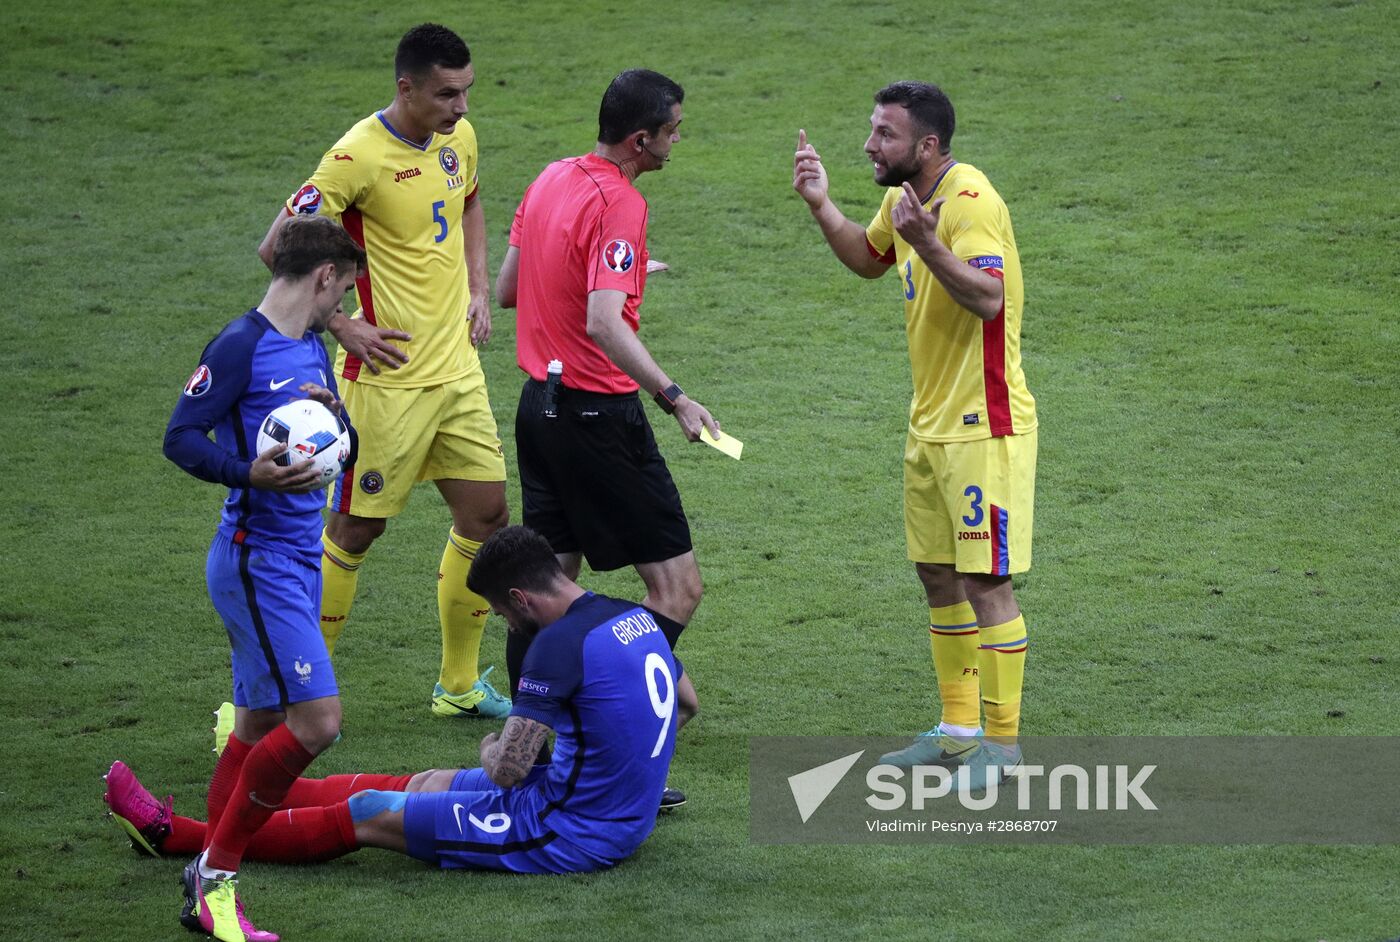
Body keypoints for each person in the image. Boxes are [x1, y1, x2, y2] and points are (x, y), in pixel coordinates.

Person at [105, 525, 685, 877]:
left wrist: (491, 744)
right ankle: (237, 803)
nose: (506, 626)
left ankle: (175, 836)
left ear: (519, 597)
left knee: (369, 815)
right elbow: (683, 703)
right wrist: (630, 772)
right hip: (594, 806)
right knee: (422, 782)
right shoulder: (631, 614)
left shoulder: (557, 647)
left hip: (566, 831)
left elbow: (507, 769)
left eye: (502, 614)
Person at [257, 23, 510, 719]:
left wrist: (479, 288)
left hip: (457, 373)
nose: (460, 107)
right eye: (445, 94)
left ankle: (457, 685)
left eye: (465, 92)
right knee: (355, 533)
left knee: (488, 516)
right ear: (406, 87)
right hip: (387, 381)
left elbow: (471, 202)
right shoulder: (356, 157)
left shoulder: (458, 136)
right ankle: (285, 702)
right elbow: (278, 248)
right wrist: (341, 323)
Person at [793, 82, 1037, 787]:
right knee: (937, 575)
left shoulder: (969, 202)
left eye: (884, 135)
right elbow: (869, 259)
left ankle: (1005, 747)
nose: (870, 145)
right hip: (929, 425)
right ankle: (959, 731)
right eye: (872, 131)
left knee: (986, 581)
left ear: (926, 146)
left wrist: (928, 244)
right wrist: (821, 204)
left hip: (983, 427)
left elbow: (988, 298)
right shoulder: (903, 200)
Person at [494, 71, 711, 787]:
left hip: (539, 409)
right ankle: (607, 723)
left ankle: (528, 740)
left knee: (547, 588)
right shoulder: (622, 202)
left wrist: (615, 270)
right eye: (673, 129)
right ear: (640, 138)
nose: (679, 138)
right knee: (676, 589)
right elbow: (603, 321)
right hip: (598, 415)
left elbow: (508, 288)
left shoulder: (552, 176)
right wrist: (675, 396)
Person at [161, 214, 366, 941]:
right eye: (341, 291)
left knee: (259, 723)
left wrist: (341, 428)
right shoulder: (240, 346)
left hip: (297, 557)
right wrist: (244, 471)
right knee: (319, 722)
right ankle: (215, 879)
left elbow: (325, 440)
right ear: (321, 277)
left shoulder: (309, 346)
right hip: (257, 562)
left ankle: (207, 866)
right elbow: (180, 438)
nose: (339, 308)